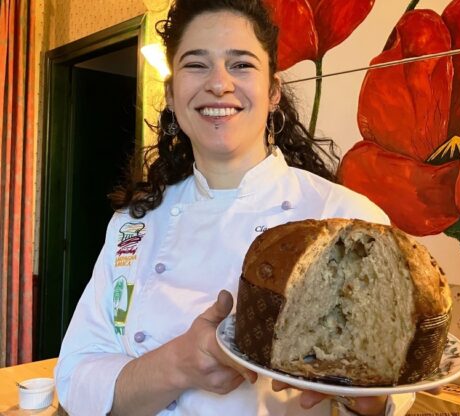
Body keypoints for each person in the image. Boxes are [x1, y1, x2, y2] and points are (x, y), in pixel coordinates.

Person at [54, 0, 416, 414]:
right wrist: (180, 364)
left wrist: (367, 394)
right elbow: (76, 379)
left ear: (273, 91)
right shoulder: (134, 224)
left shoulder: (347, 219)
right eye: (196, 65)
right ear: (172, 94)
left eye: (241, 64)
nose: (219, 84)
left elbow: (390, 395)